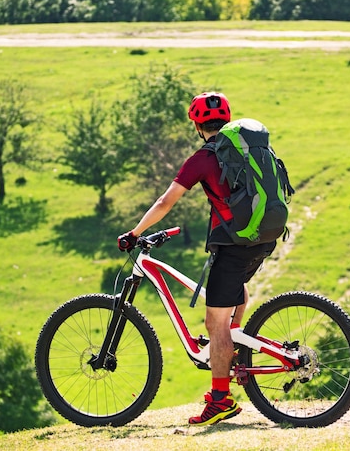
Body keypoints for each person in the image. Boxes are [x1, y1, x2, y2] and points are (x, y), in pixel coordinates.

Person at [117, 92, 276, 426]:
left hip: (233, 244)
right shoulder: (249, 150)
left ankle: (221, 399)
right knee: (234, 293)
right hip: (263, 237)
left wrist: (135, 232)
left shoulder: (203, 158)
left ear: (197, 124)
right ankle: (229, 352)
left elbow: (165, 202)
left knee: (213, 323)